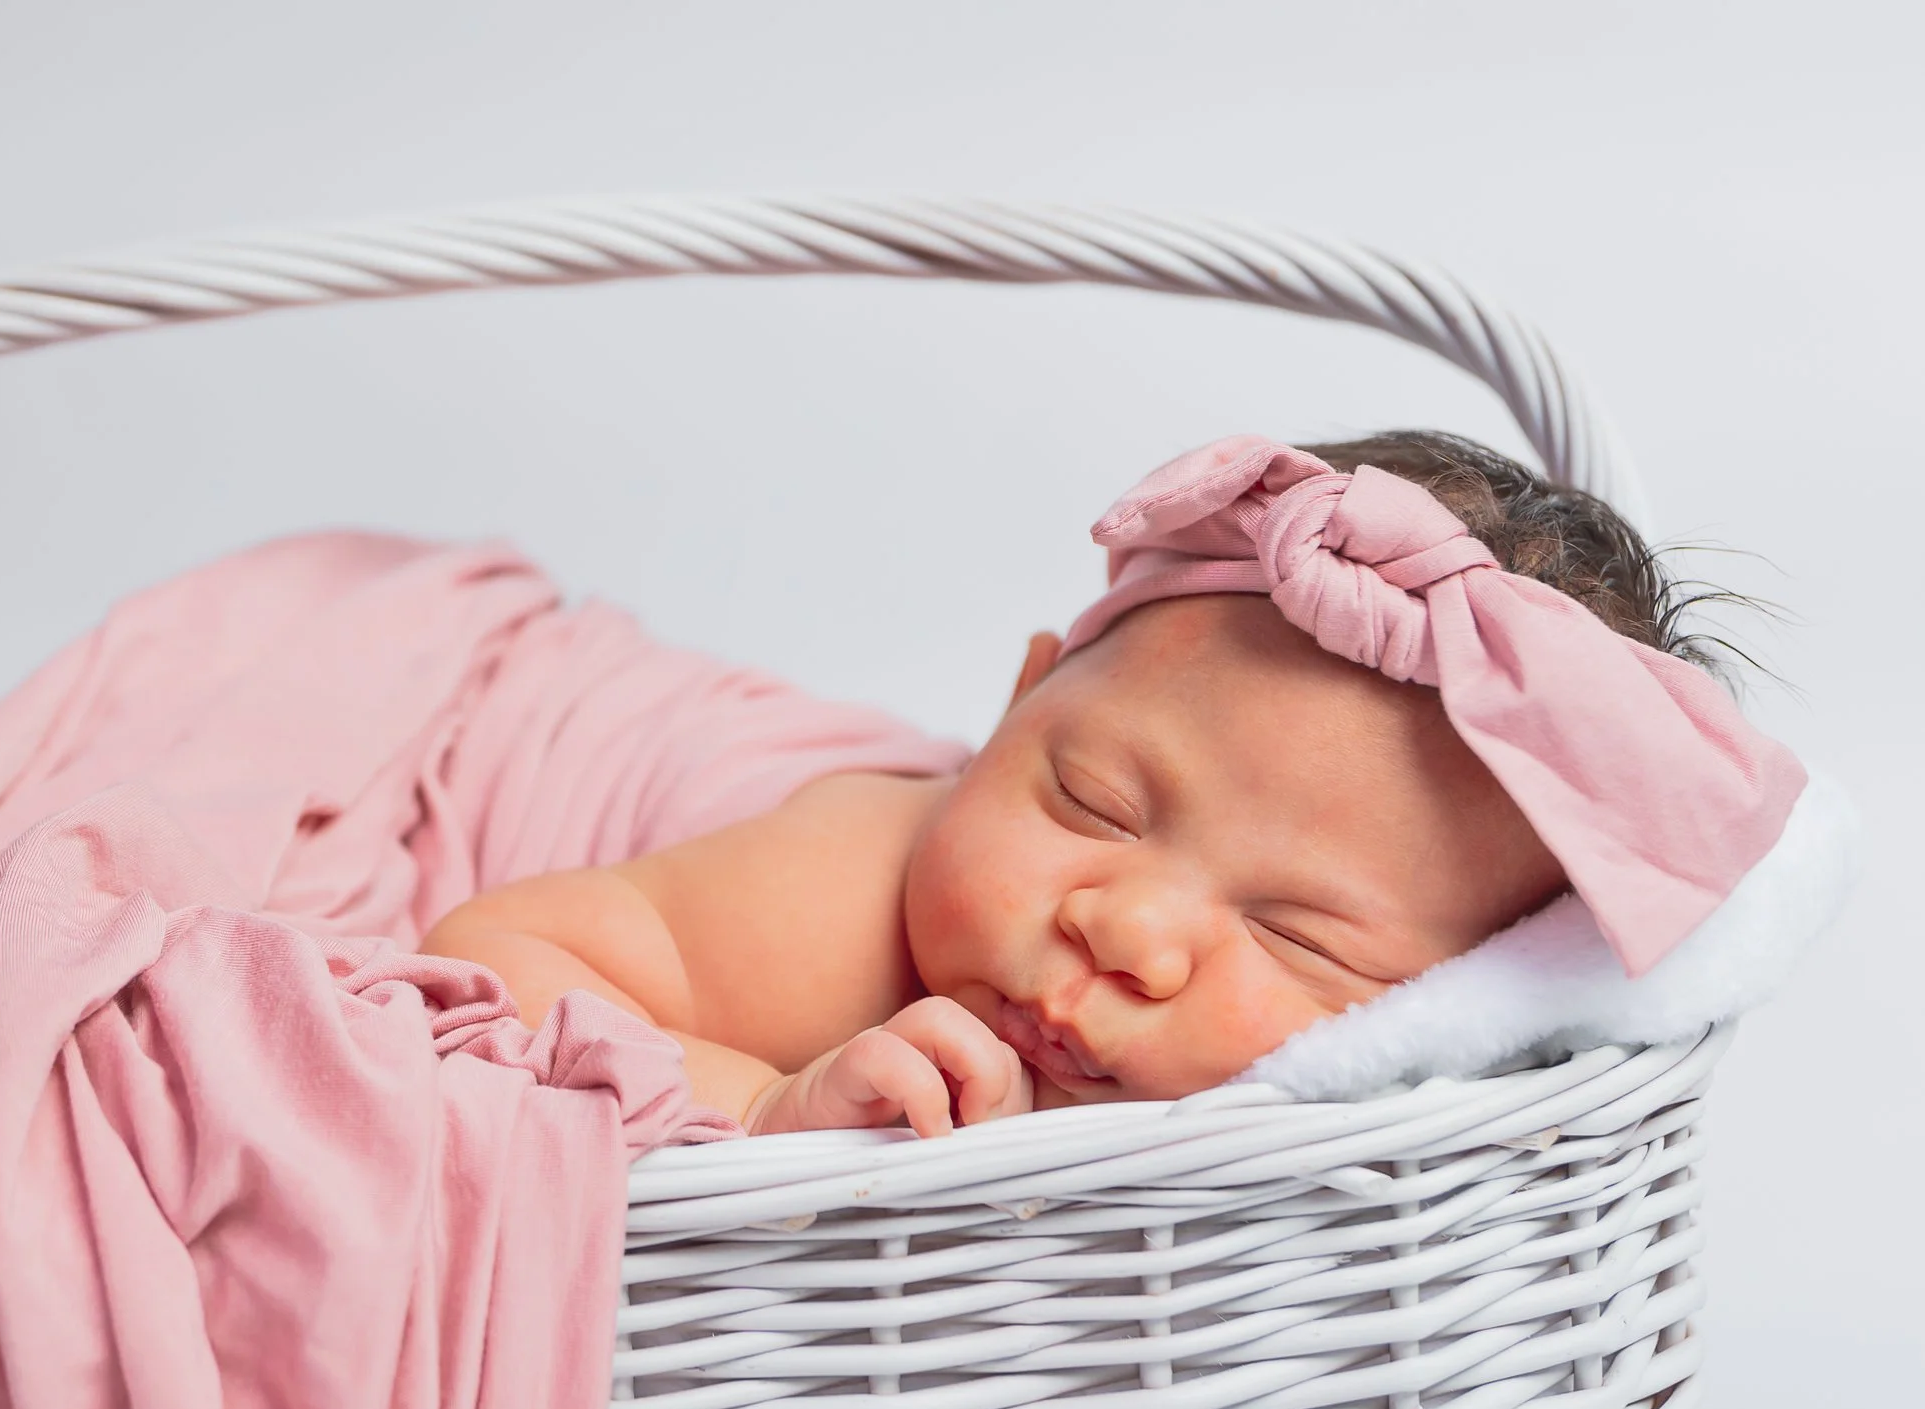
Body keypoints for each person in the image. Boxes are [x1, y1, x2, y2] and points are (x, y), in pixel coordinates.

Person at [421, 431, 1801, 1136]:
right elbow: (490, 960)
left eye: (1297, 933)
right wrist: (772, 1102)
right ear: (1020, 704)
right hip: (444, 717)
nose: (1126, 930)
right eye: (1092, 801)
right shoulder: (844, 905)